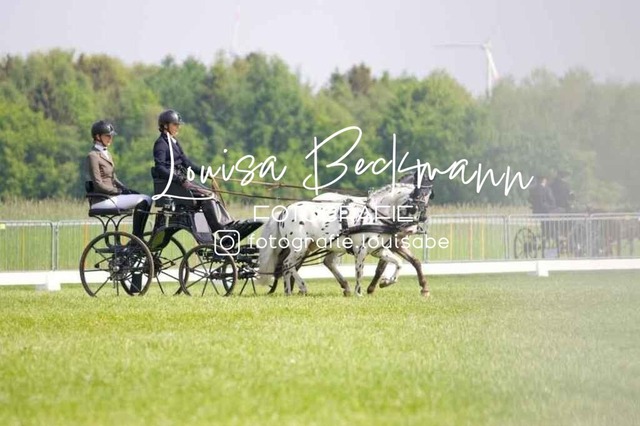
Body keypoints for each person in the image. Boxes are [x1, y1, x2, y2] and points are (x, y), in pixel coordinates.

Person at [152, 109, 234, 233]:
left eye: (178, 124)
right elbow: (160, 168)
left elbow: (187, 163)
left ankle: (227, 224)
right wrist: (178, 179)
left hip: (182, 180)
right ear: (165, 126)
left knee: (211, 194)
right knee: (207, 196)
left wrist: (205, 173)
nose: (178, 127)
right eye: (175, 124)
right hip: (174, 184)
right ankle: (221, 230)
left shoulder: (174, 142)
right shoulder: (161, 144)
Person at [85, 120, 152, 240]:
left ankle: (138, 236)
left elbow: (114, 178)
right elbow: (98, 184)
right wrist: (118, 191)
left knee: (146, 199)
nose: (110, 138)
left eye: (111, 136)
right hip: (103, 199)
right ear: (97, 137)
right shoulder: (93, 156)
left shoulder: (107, 154)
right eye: (107, 136)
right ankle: (137, 238)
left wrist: (127, 190)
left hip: (112, 197)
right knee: (144, 200)